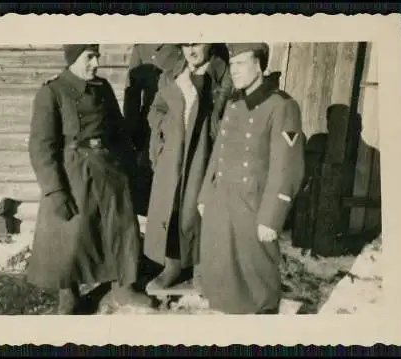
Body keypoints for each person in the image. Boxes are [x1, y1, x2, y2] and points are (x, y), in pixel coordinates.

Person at [26, 44, 152, 314]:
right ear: (72, 59)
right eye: (89, 57)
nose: (96, 63)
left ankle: (123, 287)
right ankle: (68, 295)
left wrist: (129, 169)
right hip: (74, 173)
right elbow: (41, 148)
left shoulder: (102, 88)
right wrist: (55, 191)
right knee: (71, 234)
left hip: (109, 168)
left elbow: (118, 131)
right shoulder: (52, 93)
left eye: (97, 56)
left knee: (119, 226)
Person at [196, 43, 306, 314]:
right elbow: (218, 152)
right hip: (222, 200)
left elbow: (287, 167)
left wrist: (272, 216)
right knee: (222, 274)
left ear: (259, 65)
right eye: (232, 64)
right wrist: (204, 195)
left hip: (253, 205)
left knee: (256, 278)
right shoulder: (234, 103)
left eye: (242, 63)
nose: (234, 70)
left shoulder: (282, 105)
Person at [143, 43, 233, 291]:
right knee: (172, 209)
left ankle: (202, 270)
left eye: (197, 43)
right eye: (185, 44)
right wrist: (165, 130)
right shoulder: (173, 74)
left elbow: (226, 116)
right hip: (173, 154)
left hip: (203, 153)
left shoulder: (223, 74)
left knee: (199, 210)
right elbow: (156, 109)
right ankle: (172, 265)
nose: (191, 50)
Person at [122, 44, 184, 216]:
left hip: (176, 121)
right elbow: (131, 95)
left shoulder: (180, 46)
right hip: (147, 127)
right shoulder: (142, 48)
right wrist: (132, 134)